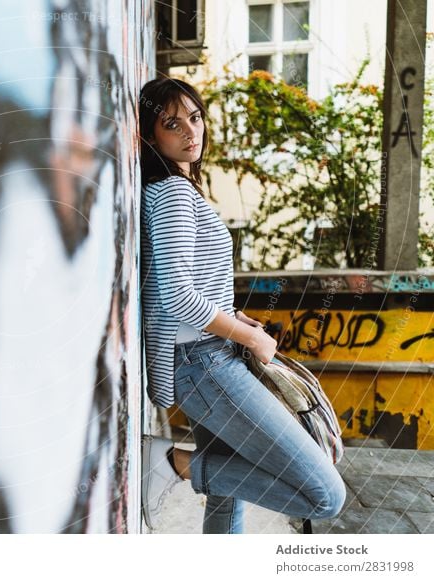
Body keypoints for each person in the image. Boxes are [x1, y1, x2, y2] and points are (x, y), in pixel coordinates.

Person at [138, 77, 345, 533]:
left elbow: (189, 285)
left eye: (195, 118)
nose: (191, 132)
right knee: (325, 494)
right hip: (204, 364)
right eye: (173, 124)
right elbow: (176, 293)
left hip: (204, 358)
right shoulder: (172, 193)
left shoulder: (178, 187)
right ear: (151, 136)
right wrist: (249, 335)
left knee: (228, 496)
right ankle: (172, 463)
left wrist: (232, 316)